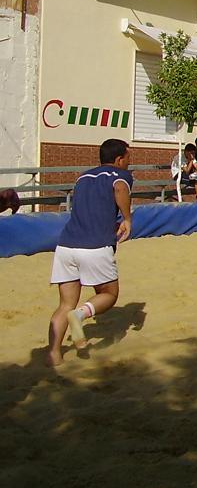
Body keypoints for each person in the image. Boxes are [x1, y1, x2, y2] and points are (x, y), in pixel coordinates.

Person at [46, 139, 132, 367]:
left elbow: (92, 208)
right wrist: (127, 218)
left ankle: (54, 354)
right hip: (94, 246)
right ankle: (81, 316)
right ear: (119, 159)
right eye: (128, 158)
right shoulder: (119, 175)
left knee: (65, 304)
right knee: (109, 294)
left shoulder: (82, 178)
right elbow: (120, 188)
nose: (128, 163)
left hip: (66, 245)